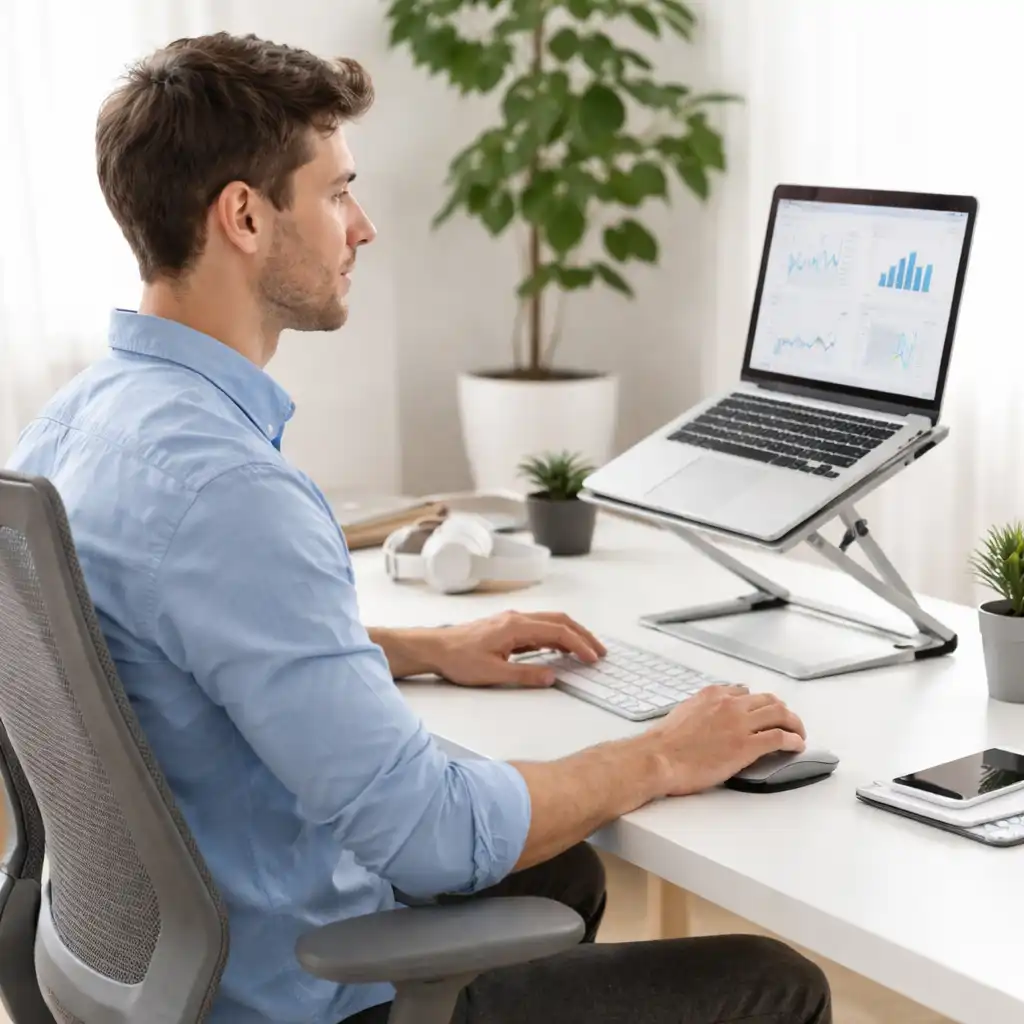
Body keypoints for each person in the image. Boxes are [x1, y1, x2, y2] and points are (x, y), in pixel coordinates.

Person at [6, 31, 832, 1024]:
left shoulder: (69, 426)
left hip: (141, 967)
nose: (363, 227)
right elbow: (428, 835)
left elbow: (154, 656)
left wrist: (423, 647)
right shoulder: (230, 491)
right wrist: (662, 751)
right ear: (244, 215)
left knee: (555, 874)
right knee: (772, 983)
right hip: (280, 990)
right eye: (338, 192)